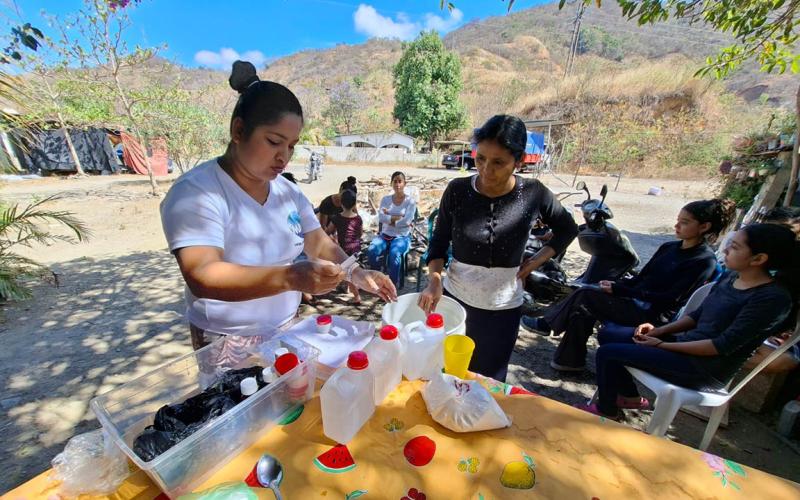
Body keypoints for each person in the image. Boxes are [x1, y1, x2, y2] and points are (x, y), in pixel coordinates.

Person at [160, 60, 395, 358]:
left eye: (292, 146)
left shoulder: (287, 191)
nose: (283, 157)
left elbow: (317, 241)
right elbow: (203, 274)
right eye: (274, 142)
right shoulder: (197, 192)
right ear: (239, 129)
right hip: (225, 339)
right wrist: (290, 277)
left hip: (286, 327)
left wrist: (354, 272)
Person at [418, 115, 579, 382]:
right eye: (480, 158)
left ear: (518, 161)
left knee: (487, 382)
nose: (485, 170)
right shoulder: (457, 190)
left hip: (502, 310)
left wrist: (533, 262)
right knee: (447, 375)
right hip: (456, 304)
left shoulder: (533, 193)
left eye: (498, 162)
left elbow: (567, 229)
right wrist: (434, 280)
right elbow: (438, 243)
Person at [581, 223, 798, 418]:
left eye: (735, 247)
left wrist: (663, 344)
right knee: (608, 334)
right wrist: (658, 331)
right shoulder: (732, 276)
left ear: (759, 259)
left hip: (704, 369)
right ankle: (629, 397)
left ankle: (606, 410)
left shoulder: (772, 299)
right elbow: (696, 316)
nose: (726, 250)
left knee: (609, 353)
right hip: (683, 345)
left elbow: (722, 346)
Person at [523, 199, 735, 372]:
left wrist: (621, 290)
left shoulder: (703, 261)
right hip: (634, 302)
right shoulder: (669, 247)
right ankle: (569, 361)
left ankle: (547, 325)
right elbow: (642, 278)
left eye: (685, 222)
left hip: (653, 316)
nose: (677, 226)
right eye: (678, 220)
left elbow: (671, 299)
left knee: (586, 296)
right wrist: (616, 284)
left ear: (704, 227)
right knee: (584, 303)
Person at [366, 171, 417, 287]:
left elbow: (408, 221)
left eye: (400, 181)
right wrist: (399, 218)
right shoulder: (386, 200)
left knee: (394, 253)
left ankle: (391, 285)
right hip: (385, 235)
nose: (397, 184)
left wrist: (390, 219)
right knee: (372, 250)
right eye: (395, 181)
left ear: (405, 183)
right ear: (391, 183)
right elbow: (381, 217)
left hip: (402, 237)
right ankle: (378, 280)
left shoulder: (410, 201)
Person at [326, 189, 363, 302]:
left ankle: (356, 296)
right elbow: (360, 233)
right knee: (352, 271)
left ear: (341, 203)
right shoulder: (358, 218)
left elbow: (328, 231)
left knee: (348, 274)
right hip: (356, 249)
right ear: (354, 204)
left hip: (344, 250)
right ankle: (353, 286)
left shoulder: (337, 218)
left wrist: (333, 238)